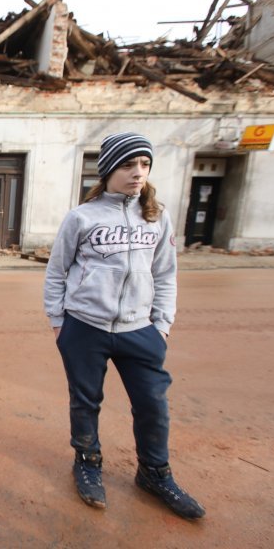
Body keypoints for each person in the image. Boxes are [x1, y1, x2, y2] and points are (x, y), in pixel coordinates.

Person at [43, 132, 206, 520]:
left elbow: (165, 275)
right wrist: (58, 324)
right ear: (109, 170)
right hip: (85, 327)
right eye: (129, 165)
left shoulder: (157, 216)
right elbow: (56, 273)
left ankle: (154, 472)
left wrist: (161, 325)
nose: (138, 173)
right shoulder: (82, 217)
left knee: (152, 404)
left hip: (140, 330)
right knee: (86, 402)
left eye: (145, 165)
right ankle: (87, 462)